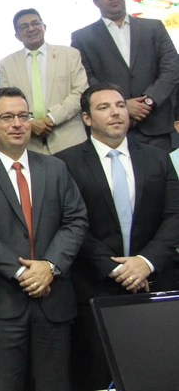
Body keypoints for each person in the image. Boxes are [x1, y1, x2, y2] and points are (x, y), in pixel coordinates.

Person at [54, 83, 179, 390]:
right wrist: (118, 268)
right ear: (86, 118)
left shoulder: (157, 158)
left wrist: (146, 262)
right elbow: (70, 223)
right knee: (100, 378)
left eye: (120, 105)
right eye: (104, 107)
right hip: (95, 287)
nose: (115, 113)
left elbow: (175, 215)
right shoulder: (63, 163)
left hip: (154, 284)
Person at [0, 87, 88, 391]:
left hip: (53, 300)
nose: (17, 124)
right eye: (7, 117)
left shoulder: (56, 167)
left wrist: (50, 266)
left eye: (23, 116)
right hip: (0, 304)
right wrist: (21, 271)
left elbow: (76, 220)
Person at [70, 0, 179, 152]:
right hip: (112, 130)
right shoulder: (82, 38)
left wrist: (149, 101)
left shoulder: (154, 28)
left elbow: (172, 68)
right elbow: (86, 78)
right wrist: (122, 105)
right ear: (95, 2)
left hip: (156, 126)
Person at [0, 9, 88, 154]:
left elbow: (80, 92)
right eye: (24, 26)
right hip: (29, 144)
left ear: (44, 27)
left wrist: (51, 118)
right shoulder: (6, 64)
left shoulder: (70, 55)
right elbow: (5, 103)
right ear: (17, 35)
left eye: (35, 23)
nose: (31, 28)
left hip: (70, 140)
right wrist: (30, 123)